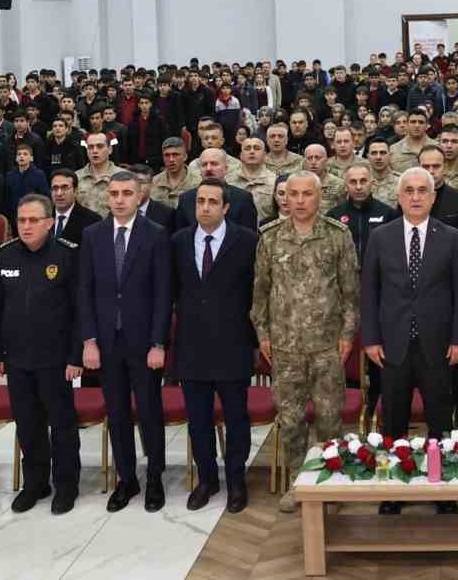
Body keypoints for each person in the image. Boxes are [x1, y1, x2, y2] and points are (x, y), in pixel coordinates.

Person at [361, 166, 458, 516]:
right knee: (394, 420)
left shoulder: (452, 237)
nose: (415, 196)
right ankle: (394, 487)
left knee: (441, 419)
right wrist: (370, 338)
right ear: (399, 196)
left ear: (433, 195)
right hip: (391, 346)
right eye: (408, 190)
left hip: (438, 346)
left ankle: (441, 486)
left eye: (422, 190)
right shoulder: (381, 236)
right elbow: (369, 293)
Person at [251, 170, 359, 514]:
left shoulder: (338, 236)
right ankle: (299, 482)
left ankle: (330, 481)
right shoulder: (269, 237)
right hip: (284, 347)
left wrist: (346, 335)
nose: (298, 201)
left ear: (319, 196)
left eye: (306, 194)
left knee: (329, 418)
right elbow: (260, 293)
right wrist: (263, 334)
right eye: (292, 194)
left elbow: (350, 293)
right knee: (292, 420)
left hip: (327, 346)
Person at [78, 171, 172, 511]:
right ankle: (127, 478)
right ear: (106, 197)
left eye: (127, 193)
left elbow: (163, 294)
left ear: (139, 195)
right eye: (114, 193)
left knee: (149, 411)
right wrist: (88, 340)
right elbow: (84, 291)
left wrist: (158, 343)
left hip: (144, 342)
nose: (119, 199)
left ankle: (155, 478)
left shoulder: (156, 235)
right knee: (117, 413)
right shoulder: (93, 235)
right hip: (106, 342)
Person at [0, 194, 83, 515]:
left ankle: (66, 485)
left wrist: (75, 356)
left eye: (33, 220)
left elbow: (78, 311)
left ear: (50, 223)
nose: (26, 226)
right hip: (18, 358)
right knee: (28, 425)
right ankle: (36, 483)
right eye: (22, 220)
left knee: (62, 425)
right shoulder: (6, 255)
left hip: (55, 359)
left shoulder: (67, 255)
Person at [170, 179, 259, 513]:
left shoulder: (248, 241)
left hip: (232, 344)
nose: (204, 207)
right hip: (192, 346)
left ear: (225, 208)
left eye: (212, 202)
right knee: (198, 420)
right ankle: (207, 479)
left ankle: (236, 480)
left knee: (237, 418)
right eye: (200, 201)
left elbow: (255, 294)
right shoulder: (178, 241)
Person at [170, 148, 258, 233]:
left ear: (226, 169)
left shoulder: (243, 199)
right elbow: (180, 237)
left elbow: (249, 239)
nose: (208, 168)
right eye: (204, 165)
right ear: (199, 170)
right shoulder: (186, 199)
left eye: (214, 164)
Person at [329, 162, 394, 266]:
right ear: (346, 186)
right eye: (353, 182)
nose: (358, 187)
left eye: (363, 181)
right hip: (345, 276)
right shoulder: (334, 215)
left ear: (372, 184)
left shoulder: (388, 214)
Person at [49, 167, 99, 246]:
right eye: (55, 188)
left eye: (64, 188)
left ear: (75, 191)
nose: (59, 193)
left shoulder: (92, 221)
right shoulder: (43, 217)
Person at [74, 132, 117, 216]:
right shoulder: (76, 177)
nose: (95, 151)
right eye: (90, 147)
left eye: (100, 146)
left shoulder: (122, 176)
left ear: (110, 149)